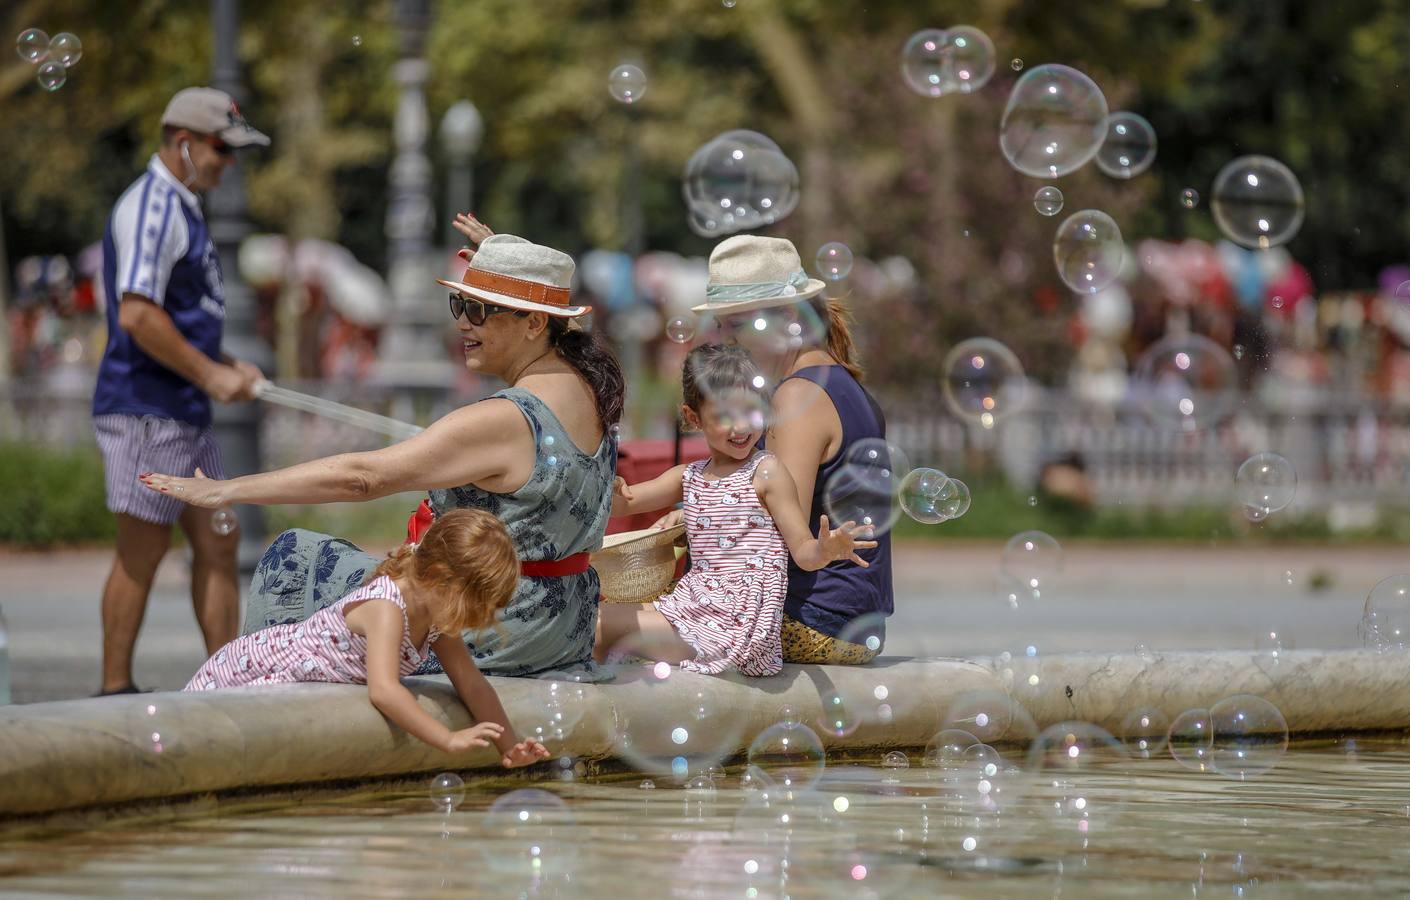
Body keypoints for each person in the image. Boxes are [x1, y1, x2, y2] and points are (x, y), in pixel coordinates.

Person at [143, 224, 624, 681]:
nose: (461, 322)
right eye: (460, 303)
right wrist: (511, 260)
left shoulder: (505, 419)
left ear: (535, 323)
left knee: (295, 555)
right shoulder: (588, 387)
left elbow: (362, 478)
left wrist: (227, 489)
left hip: (493, 625)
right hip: (561, 627)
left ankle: (269, 705)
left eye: (480, 310)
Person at [92, 87, 269, 695]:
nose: (230, 162)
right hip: (146, 409)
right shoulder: (151, 207)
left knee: (220, 540)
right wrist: (212, 374)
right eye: (223, 148)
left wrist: (227, 362)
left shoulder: (184, 205)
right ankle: (115, 690)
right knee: (141, 553)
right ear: (184, 143)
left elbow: (177, 314)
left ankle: (225, 682)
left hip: (181, 411)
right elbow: (138, 316)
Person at [664, 235, 895, 666]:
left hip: (807, 620)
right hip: (853, 623)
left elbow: (769, 527)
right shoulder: (842, 382)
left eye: (736, 325)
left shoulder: (796, 397)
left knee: (619, 622)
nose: (726, 341)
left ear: (789, 317)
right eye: (722, 326)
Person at [185, 509, 550, 768]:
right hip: (251, 669)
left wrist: (510, 746)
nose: (482, 619)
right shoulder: (387, 607)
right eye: (477, 605)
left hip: (288, 676)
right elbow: (385, 690)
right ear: (440, 577)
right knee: (197, 745)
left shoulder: (434, 618)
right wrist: (447, 739)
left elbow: (472, 684)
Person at [600, 344, 876, 675]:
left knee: (597, 627)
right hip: (696, 608)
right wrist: (610, 485)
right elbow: (621, 504)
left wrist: (826, 549)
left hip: (734, 628)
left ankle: (586, 710)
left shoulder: (766, 472)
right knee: (599, 614)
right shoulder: (688, 476)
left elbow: (803, 552)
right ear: (693, 418)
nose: (741, 428)